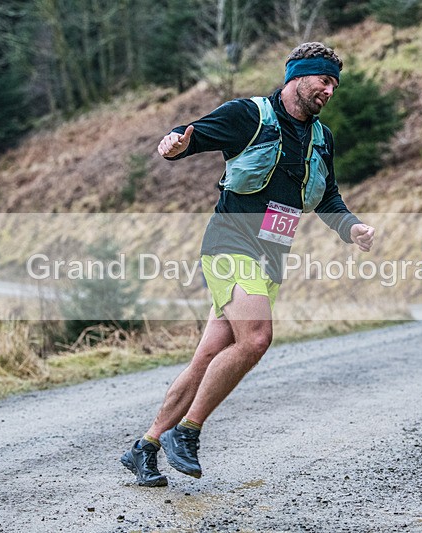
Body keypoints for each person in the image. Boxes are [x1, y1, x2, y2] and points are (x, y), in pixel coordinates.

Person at [120, 42, 375, 487]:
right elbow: (193, 134)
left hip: (270, 258)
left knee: (208, 357)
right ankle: (188, 430)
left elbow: (328, 196)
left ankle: (144, 446)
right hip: (229, 245)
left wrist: (350, 228)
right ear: (297, 77)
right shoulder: (250, 115)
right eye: (324, 80)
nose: (330, 91)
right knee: (257, 338)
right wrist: (175, 144)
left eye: (335, 84)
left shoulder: (321, 137)